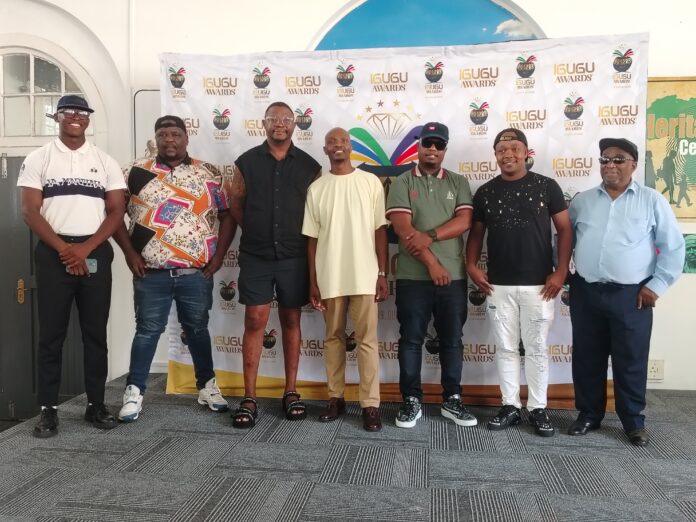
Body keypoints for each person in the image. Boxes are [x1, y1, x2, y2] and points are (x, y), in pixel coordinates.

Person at [17, 95, 125, 437]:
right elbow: (30, 211)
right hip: (54, 253)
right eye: (68, 112)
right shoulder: (39, 158)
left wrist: (85, 249)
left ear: (88, 119)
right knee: (51, 335)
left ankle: (96, 404)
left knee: (95, 334)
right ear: (57, 117)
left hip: (95, 249)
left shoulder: (105, 161)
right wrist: (66, 250)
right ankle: (48, 410)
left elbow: (116, 212)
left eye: (82, 112)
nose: (76, 117)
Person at [114, 115, 235, 422]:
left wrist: (219, 256)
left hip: (195, 273)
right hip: (150, 272)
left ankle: (207, 387)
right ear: (156, 138)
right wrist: (129, 254)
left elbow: (228, 215)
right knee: (147, 332)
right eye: (163, 134)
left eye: (176, 134)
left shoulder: (208, 173)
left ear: (186, 138)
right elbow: (113, 215)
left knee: (197, 330)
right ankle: (134, 392)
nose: (169, 139)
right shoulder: (134, 171)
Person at [568, 137, 685, 446]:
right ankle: (589, 414)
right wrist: (563, 275)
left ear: (633, 164)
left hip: (632, 296)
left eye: (618, 159)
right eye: (605, 159)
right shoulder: (582, 201)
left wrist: (656, 286)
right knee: (587, 357)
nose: (610, 165)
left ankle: (633, 421)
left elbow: (673, 248)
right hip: (587, 292)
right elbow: (564, 240)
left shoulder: (652, 200)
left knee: (630, 358)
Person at [466, 128, 572, 437]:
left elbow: (565, 230)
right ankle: (510, 406)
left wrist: (561, 271)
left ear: (526, 152)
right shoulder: (485, 192)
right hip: (497, 286)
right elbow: (476, 234)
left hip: (539, 286)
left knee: (536, 348)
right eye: (501, 150)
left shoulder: (547, 186)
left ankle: (538, 407)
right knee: (506, 348)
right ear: (495, 156)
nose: (508, 154)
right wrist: (471, 266)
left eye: (514, 148)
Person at [227, 101, 321, 428]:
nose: (279, 124)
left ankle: (291, 391)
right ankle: (250, 397)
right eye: (273, 119)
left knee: (291, 319)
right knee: (255, 320)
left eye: (285, 119)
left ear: (295, 124)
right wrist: (256, 229)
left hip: (295, 256)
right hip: (257, 255)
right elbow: (235, 203)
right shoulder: (246, 162)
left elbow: (316, 214)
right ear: (263, 124)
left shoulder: (310, 166)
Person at [386, 122, 477, 429]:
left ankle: (452, 399)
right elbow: (403, 229)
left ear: (445, 149)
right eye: (428, 143)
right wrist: (433, 264)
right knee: (411, 340)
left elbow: (464, 221)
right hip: (413, 278)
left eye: (439, 145)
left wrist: (431, 235)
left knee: (452, 340)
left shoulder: (458, 181)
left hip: (454, 278)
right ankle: (411, 400)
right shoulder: (401, 182)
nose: (433, 149)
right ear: (419, 146)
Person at [303, 127, 389, 432]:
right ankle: (335, 398)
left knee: (367, 341)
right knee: (333, 339)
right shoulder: (317, 188)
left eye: (343, 141)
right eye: (331, 142)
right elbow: (312, 239)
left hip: (365, 274)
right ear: (325, 149)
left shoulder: (370, 182)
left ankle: (370, 404)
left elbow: (380, 229)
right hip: (330, 276)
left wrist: (382, 273)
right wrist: (313, 281)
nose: (338, 145)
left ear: (351, 147)